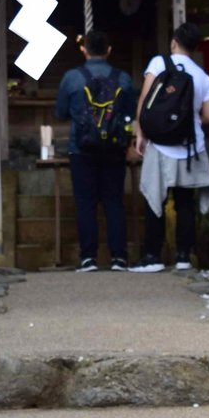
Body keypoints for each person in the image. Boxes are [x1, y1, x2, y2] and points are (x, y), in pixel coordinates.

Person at [131, 21, 209, 272]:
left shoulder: (159, 64)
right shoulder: (202, 77)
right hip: (190, 147)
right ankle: (183, 256)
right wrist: (189, 119)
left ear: (174, 42)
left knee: (154, 197)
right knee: (185, 202)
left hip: (160, 143)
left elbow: (146, 101)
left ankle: (153, 256)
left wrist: (140, 132)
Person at [54, 29, 135, 271]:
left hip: (81, 148)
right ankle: (118, 257)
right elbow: (130, 115)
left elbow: (60, 112)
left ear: (84, 49)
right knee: (113, 201)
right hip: (114, 148)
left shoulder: (72, 78)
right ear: (109, 50)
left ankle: (88, 257)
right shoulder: (123, 79)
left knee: (85, 202)